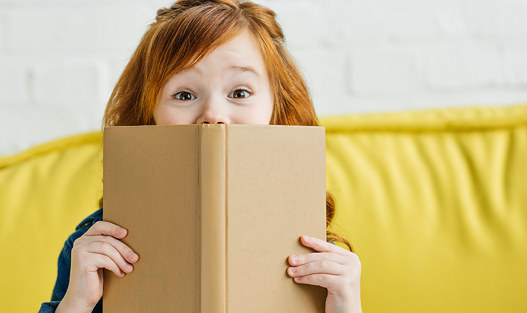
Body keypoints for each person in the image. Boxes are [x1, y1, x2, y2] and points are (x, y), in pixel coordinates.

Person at [39, 0, 362, 312]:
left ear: (277, 106)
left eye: (240, 92)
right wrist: (76, 305)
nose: (213, 115)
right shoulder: (95, 247)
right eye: (183, 94)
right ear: (147, 112)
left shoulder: (318, 254)